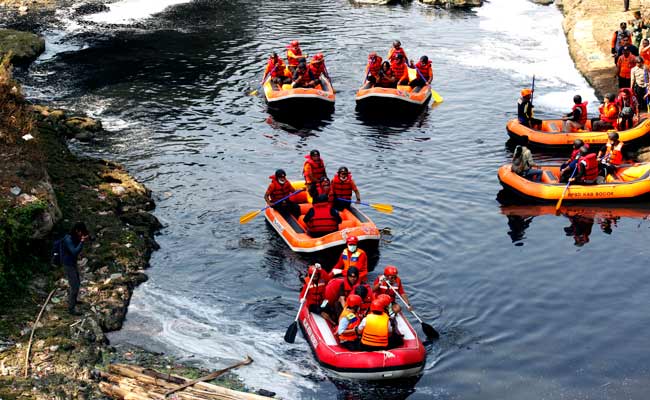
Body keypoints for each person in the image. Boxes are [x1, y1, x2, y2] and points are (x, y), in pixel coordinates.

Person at [62, 222, 89, 315]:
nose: (81, 234)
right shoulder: (68, 239)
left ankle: (74, 300)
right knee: (75, 286)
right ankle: (71, 309)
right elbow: (74, 252)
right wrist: (81, 241)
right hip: (68, 264)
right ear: (77, 230)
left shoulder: (74, 237)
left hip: (73, 263)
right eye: (81, 232)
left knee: (77, 281)